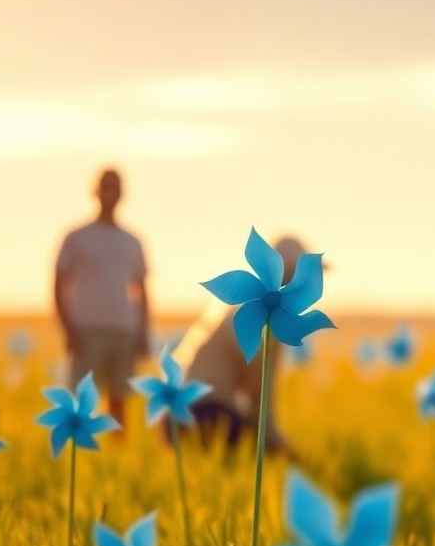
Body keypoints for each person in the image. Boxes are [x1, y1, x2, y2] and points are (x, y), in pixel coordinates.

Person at [172, 235, 312, 454]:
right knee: (251, 448)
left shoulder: (238, 303)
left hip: (174, 415)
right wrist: (287, 454)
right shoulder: (269, 323)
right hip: (207, 415)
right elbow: (259, 402)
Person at [54, 167, 150, 426]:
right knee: (80, 403)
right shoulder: (76, 237)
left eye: (115, 187)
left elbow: (142, 290)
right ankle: (80, 457)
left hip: (124, 330)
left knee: (119, 401)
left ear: (122, 193)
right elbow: (58, 283)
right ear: (96, 191)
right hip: (87, 329)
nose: (110, 192)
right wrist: (68, 329)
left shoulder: (132, 240)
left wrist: (143, 333)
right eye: (105, 186)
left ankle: (115, 457)